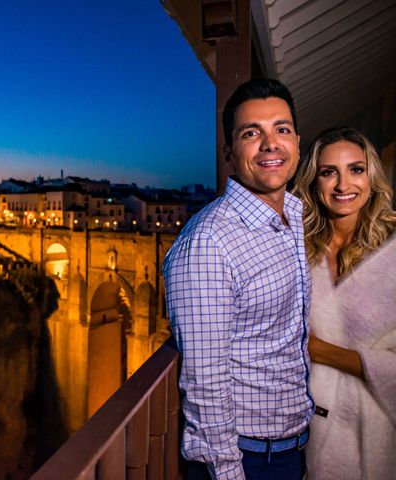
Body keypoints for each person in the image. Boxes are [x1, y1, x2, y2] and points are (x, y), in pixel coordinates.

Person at [163, 78, 314, 480]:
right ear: (230, 152)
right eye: (252, 133)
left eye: (281, 129)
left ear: (297, 142)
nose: (270, 144)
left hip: (296, 444)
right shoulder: (208, 242)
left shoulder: (297, 218)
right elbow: (205, 383)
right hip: (246, 459)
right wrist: (229, 472)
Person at [292, 126, 396, 479]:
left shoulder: (392, 253)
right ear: (314, 182)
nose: (342, 185)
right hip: (304, 433)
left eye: (355, 169)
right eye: (328, 172)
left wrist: (319, 350)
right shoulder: (297, 251)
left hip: (376, 438)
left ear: (372, 177)